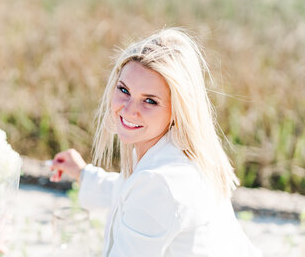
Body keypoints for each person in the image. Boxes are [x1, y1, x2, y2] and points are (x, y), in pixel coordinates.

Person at [50, 28, 262, 257]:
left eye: (150, 101)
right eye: (124, 90)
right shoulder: (174, 150)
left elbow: (149, 197)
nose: (129, 110)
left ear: (177, 109)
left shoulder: (161, 181)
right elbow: (128, 192)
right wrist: (83, 174)